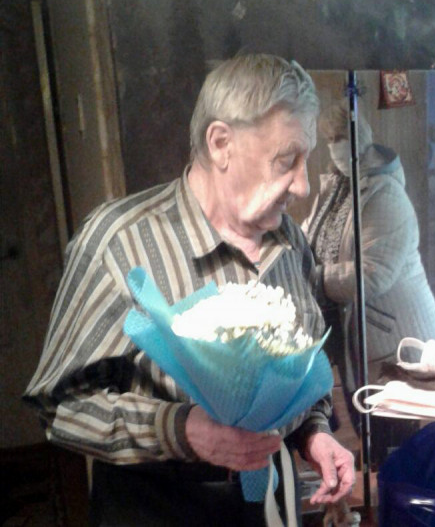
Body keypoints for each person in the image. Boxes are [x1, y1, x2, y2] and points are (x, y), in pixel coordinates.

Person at [23, 54, 354, 526]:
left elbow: (301, 374)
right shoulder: (119, 242)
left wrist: (314, 434)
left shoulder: (291, 242)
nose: (302, 185)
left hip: (271, 502)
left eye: (307, 159)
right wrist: (179, 429)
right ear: (221, 144)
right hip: (155, 507)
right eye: (287, 160)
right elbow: (59, 406)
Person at [302, 103, 435, 466]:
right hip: (361, 342)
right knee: (375, 443)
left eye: (340, 137)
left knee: (404, 451)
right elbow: (309, 238)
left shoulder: (386, 197)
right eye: (329, 138)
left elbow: (373, 275)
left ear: (359, 139)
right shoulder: (335, 190)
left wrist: (313, 278)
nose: (334, 146)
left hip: (397, 345)